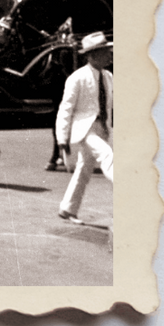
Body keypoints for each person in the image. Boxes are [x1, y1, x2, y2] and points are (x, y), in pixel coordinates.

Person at [54, 32, 113, 224]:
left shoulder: (109, 77)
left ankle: (68, 208)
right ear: (92, 55)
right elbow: (65, 109)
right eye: (105, 52)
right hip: (85, 130)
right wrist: (62, 139)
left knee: (84, 169)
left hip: (103, 126)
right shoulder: (77, 78)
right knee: (107, 155)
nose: (109, 55)